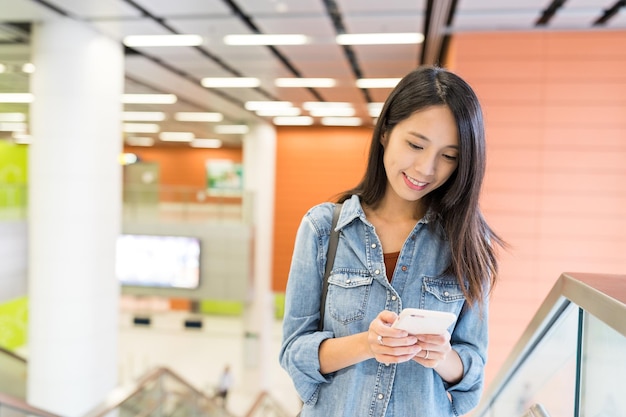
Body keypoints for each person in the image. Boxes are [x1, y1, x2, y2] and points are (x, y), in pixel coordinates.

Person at [279, 65, 506, 417]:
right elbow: (295, 353)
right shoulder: (324, 228)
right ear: (385, 132)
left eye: (449, 156)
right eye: (415, 144)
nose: (426, 169)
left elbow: (472, 374)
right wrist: (368, 344)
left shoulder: (467, 243)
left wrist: (442, 356)